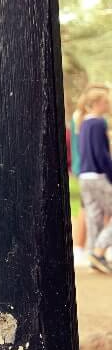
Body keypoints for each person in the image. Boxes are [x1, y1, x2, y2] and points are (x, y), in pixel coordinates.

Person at [78, 86, 112, 274]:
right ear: (98, 103)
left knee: (95, 217)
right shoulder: (99, 123)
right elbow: (102, 154)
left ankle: (93, 256)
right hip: (98, 177)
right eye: (106, 102)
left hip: (85, 177)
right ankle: (98, 252)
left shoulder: (84, 123)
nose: (108, 105)